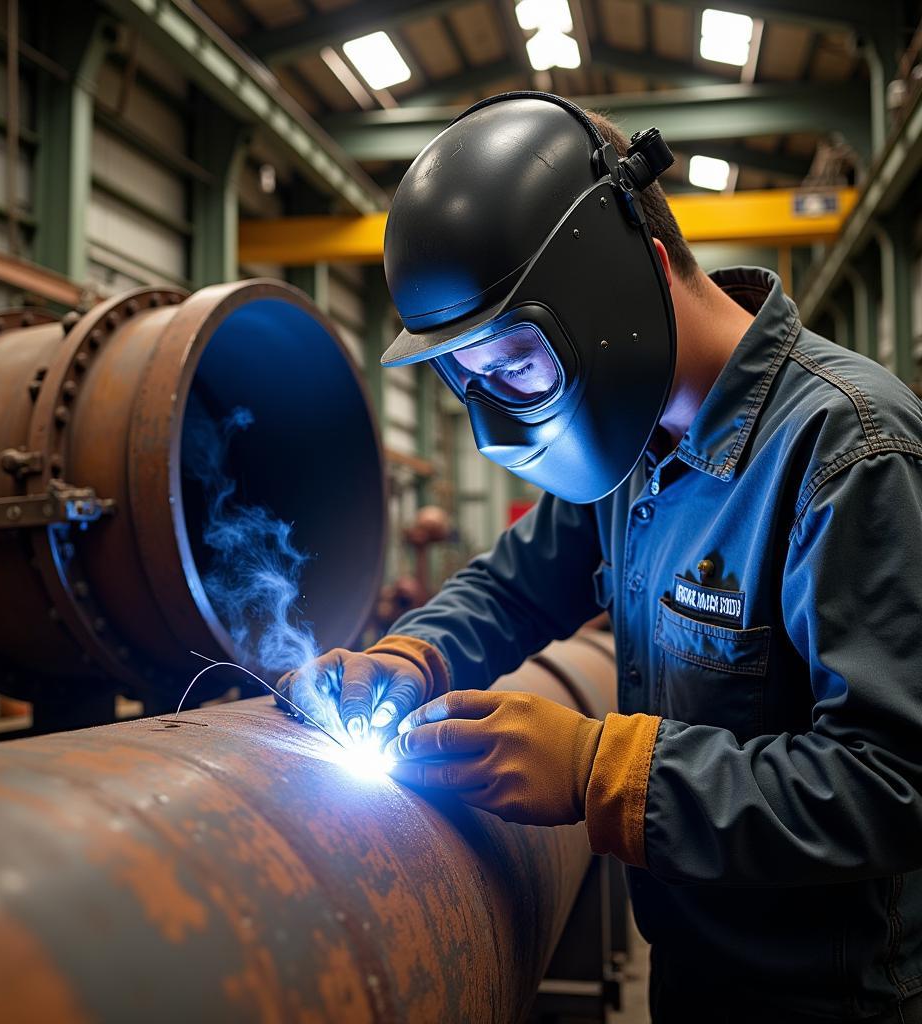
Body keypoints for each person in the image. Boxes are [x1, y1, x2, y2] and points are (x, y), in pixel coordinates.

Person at [279, 92, 922, 1022]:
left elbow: (893, 781)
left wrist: (600, 771)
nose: (500, 416)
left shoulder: (849, 452)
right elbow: (517, 583)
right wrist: (410, 656)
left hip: (835, 995)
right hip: (694, 968)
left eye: (518, 367)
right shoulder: (635, 439)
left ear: (637, 279)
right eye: (471, 384)